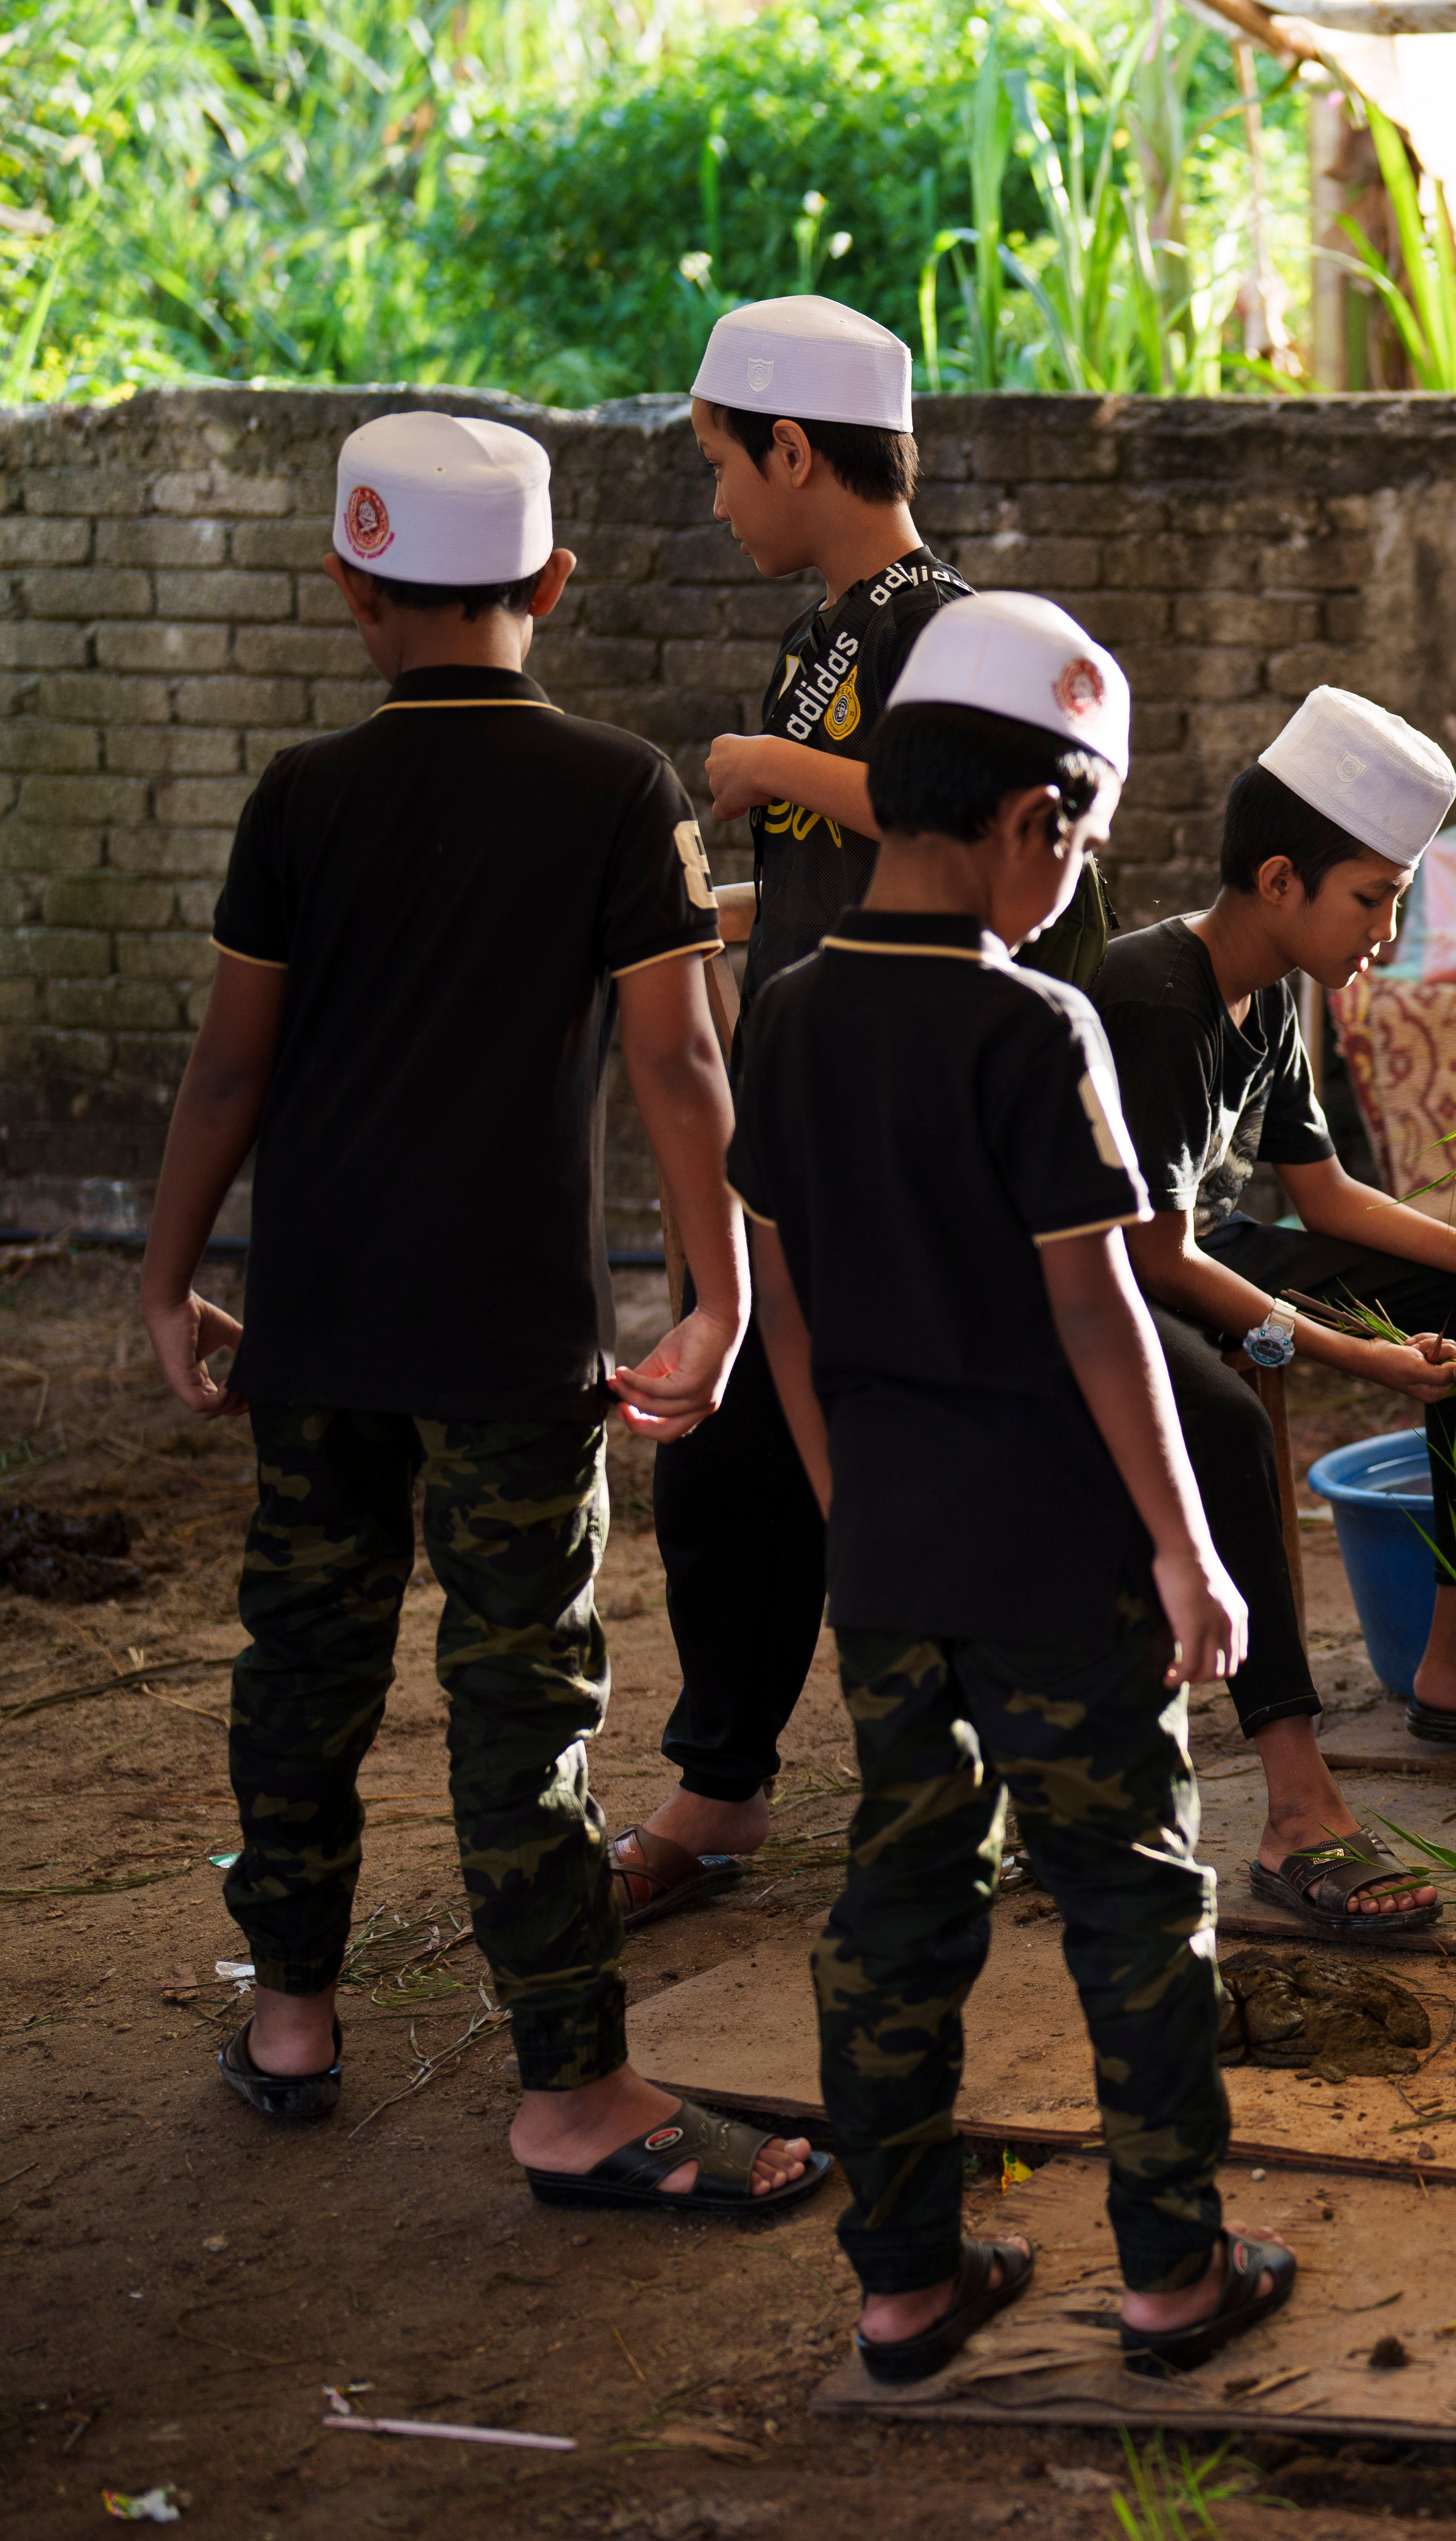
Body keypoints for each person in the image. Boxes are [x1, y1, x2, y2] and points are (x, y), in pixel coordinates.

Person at [144, 410, 822, 2216]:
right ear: (552, 582)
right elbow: (680, 1056)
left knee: (301, 1665)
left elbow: (229, 1068)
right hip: (514, 1345)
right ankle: (574, 2093)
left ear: (353, 588)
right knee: (519, 1702)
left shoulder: (301, 797)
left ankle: (290, 2013)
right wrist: (721, 1289)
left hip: (316, 1326)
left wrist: (165, 1272)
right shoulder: (620, 789)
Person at [725, 590, 1290, 2381]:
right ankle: (1171, 2276)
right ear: (1031, 820)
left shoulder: (790, 1015)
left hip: (888, 1553)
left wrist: (847, 1505)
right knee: (1129, 1892)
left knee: (898, 1903)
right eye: (1081, 841)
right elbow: (1099, 1310)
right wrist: (1189, 1551)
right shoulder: (1033, 1027)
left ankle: (899, 2279)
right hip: (1058, 1558)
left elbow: (787, 1310)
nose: (1073, 879)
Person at [622, 294, 1111, 1929]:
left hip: (909, 1127)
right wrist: (715, 923)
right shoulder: (823, 625)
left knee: (920, 1455)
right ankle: (726, 1775)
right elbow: (850, 873)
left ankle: (1028, 1773)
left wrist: (765, 760)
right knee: (723, 1461)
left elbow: (945, 814)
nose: (717, 502)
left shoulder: (940, 629)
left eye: (720, 466)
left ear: (790, 446)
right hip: (801, 1114)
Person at [1094, 690, 1456, 1843]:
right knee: (1233, 1431)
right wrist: (1350, 1351)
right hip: (1096, 1280)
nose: (1384, 938)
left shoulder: (1277, 989)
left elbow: (1323, 1190)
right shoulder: (1157, 998)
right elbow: (1153, 1253)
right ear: (1280, 879)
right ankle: (1289, 1763)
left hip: (1205, 1248)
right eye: (1372, 901)